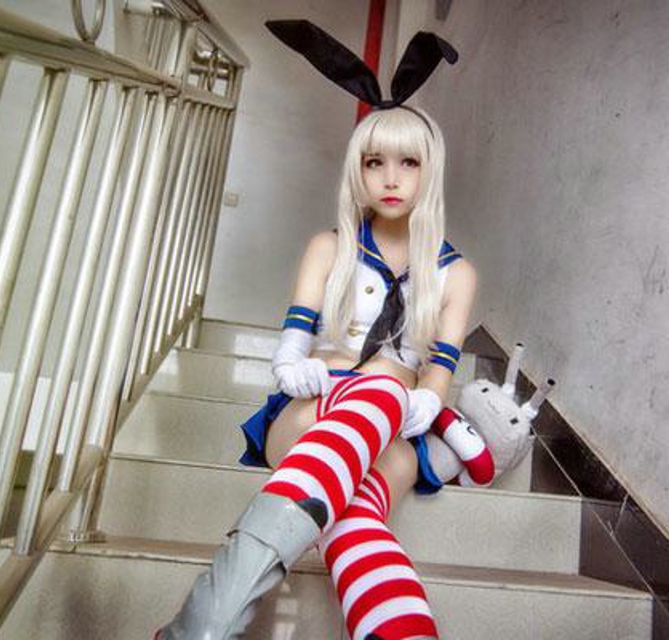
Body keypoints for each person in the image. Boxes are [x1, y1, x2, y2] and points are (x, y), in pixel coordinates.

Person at [157, 21, 473, 640]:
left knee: (355, 516)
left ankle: (194, 630)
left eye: (408, 162)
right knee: (370, 420)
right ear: (356, 170)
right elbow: (295, 337)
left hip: (394, 428)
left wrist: (428, 399)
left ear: (430, 170)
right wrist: (288, 366)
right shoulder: (328, 248)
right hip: (311, 408)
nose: (390, 178)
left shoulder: (455, 274)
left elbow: (440, 367)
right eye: (374, 162)